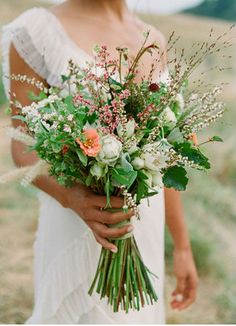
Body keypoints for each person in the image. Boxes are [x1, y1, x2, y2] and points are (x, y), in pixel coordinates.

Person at [2, 0, 198, 323]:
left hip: (143, 229)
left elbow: (164, 160)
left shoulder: (154, 39)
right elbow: (23, 145)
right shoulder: (36, 33)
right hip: (76, 227)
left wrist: (182, 246)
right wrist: (72, 197)